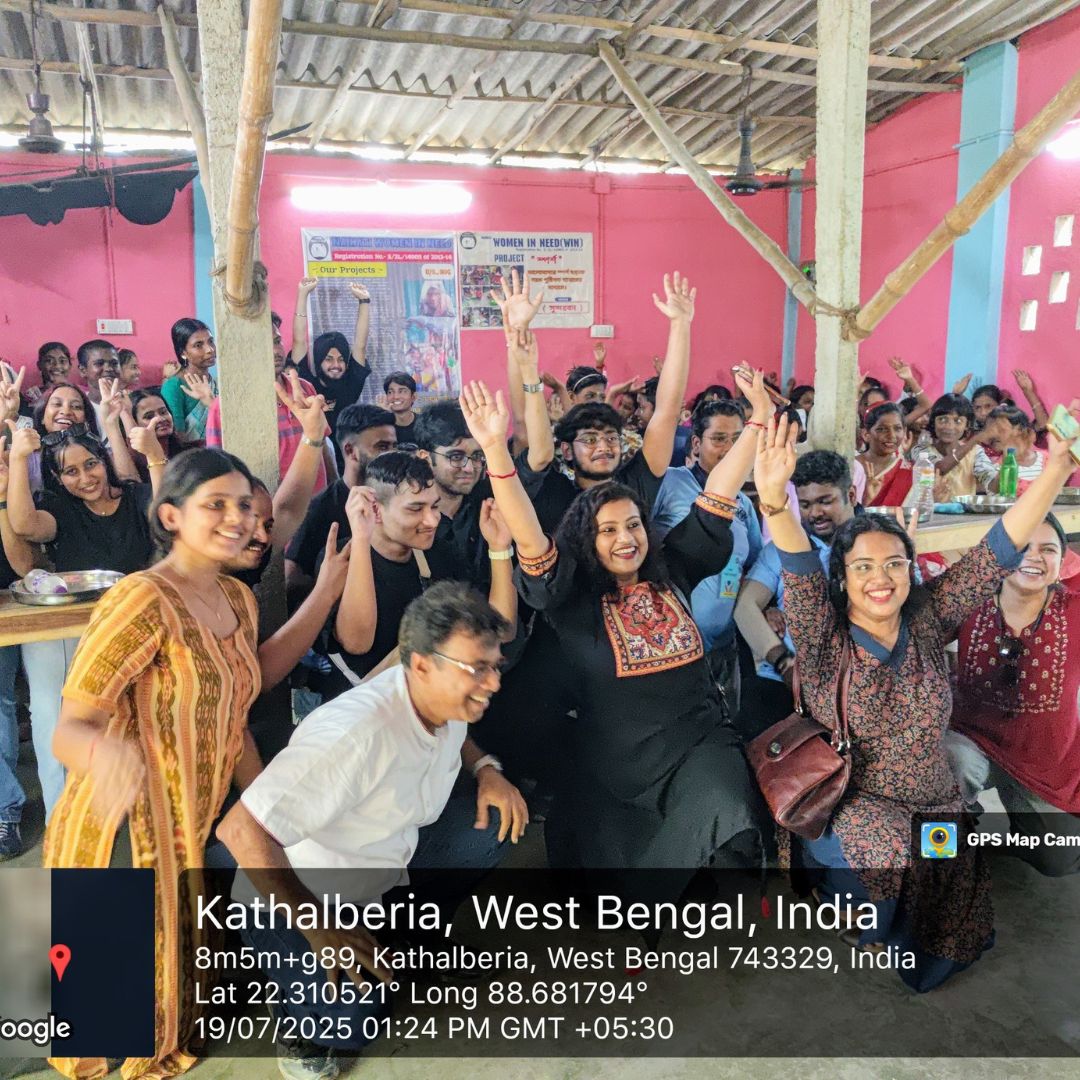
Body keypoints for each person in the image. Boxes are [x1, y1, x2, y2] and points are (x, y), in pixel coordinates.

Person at [751, 407, 1078, 991]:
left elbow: (997, 549)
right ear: (843, 577)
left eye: (894, 564)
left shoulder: (927, 618)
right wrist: (777, 504)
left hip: (932, 795)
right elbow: (797, 565)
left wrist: (1056, 469)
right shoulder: (823, 637)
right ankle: (838, 889)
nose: (880, 578)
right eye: (863, 566)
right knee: (887, 886)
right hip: (855, 802)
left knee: (946, 907)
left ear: (909, 570)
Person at [216, 582, 527, 1079]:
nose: (492, 684)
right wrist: (318, 925)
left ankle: (415, 941)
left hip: (383, 862)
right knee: (352, 1023)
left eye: (495, 667)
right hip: (298, 894)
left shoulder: (442, 699)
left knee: (490, 830)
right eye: (477, 669)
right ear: (421, 665)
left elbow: (460, 731)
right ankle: (294, 1011)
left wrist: (487, 769)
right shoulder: (356, 734)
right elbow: (240, 830)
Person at [461, 372, 765, 875]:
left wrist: (758, 422)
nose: (625, 539)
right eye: (607, 530)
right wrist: (494, 448)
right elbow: (530, 537)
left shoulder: (675, 569)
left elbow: (719, 492)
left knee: (726, 806)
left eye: (633, 525)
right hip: (614, 766)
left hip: (700, 743)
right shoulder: (571, 598)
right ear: (586, 540)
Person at [43, 449, 263, 1080]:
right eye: (215, 505)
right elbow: (69, 729)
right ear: (171, 516)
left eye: (244, 506)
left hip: (186, 826)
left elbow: (236, 717)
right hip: (120, 827)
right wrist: (107, 754)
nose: (237, 519)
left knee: (166, 991)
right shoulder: (142, 598)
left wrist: (263, 806)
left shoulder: (238, 599)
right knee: (105, 1033)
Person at [7, 421, 155, 819]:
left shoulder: (136, 498)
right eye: (71, 471)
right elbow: (24, 524)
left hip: (129, 627)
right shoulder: (62, 510)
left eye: (91, 464)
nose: (86, 478)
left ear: (104, 460)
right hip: (70, 630)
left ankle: (131, 811)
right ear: (58, 478)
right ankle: (65, 816)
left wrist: (155, 456)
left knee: (128, 720)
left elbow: (167, 513)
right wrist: (19, 458)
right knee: (56, 716)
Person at [947, 512, 1080, 875]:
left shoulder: (1075, 611)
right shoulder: (967, 603)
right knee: (948, 763)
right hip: (971, 744)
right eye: (1021, 547)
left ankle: (1017, 832)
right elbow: (909, 632)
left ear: (1062, 561)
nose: (1033, 557)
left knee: (1057, 861)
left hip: (1044, 763)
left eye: (1047, 549)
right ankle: (944, 858)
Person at [321, 452, 516, 698]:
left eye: (434, 506)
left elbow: (500, 631)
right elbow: (356, 644)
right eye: (416, 509)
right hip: (367, 708)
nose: (432, 520)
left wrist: (499, 548)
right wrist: (361, 537)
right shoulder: (340, 559)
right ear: (375, 510)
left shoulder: (439, 553)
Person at [521, 272, 695, 534]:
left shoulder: (634, 484)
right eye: (590, 439)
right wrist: (526, 366)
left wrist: (680, 325)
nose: (604, 446)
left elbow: (667, 413)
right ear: (566, 451)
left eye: (611, 438)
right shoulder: (553, 492)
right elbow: (533, 445)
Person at [652, 396, 767, 710]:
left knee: (727, 721)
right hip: (673, 643)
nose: (729, 449)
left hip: (724, 646)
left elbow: (754, 564)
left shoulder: (743, 505)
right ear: (695, 444)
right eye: (718, 439)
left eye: (737, 439)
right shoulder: (670, 483)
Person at [734, 450, 858, 739]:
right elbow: (744, 606)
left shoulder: (874, 542)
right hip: (783, 680)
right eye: (805, 504)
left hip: (857, 679)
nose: (815, 513)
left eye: (825, 501)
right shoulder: (783, 548)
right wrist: (784, 663)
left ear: (850, 494)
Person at [284, 403, 397, 591]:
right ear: (350, 451)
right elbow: (292, 577)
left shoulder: (399, 499)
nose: (392, 455)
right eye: (382, 447)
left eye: (394, 446)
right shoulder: (322, 509)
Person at [206, 332, 332, 493]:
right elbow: (216, 470)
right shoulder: (226, 406)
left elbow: (323, 445)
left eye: (277, 341)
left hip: (318, 499)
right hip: (269, 504)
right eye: (263, 344)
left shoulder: (304, 388)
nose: (275, 351)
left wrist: (335, 492)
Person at [0, 447, 38, 859]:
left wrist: (2, 496)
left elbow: (24, 564)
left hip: (13, 606)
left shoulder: (19, 487)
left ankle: (5, 810)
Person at [293, 279, 372, 467]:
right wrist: (303, 294)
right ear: (319, 361)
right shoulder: (306, 384)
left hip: (349, 464)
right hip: (314, 462)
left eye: (341, 359)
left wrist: (364, 302)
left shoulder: (351, 383)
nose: (336, 365)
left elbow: (360, 345)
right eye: (329, 359)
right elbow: (298, 341)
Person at [162, 318, 217, 444]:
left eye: (211, 341)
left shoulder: (217, 383)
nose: (210, 349)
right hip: (191, 454)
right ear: (183, 353)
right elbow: (177, 436)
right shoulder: (174, 386)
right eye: (198, 345)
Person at [973, 405, 1047, 494]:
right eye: (989, 431)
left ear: (1019, 429)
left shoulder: (1048, 460)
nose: (993, 435)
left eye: (999, 429)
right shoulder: (992, 467)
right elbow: (996, 489)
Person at [922, 393, 983, 500]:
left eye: (958, 421)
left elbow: (992, 483)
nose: (949, 426)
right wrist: (975, 440)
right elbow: (940, 469)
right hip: (930, 510)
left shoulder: (976, 452)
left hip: (964, 511)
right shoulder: (921, 451)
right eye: (942, 420)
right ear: (933, 422)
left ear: (967, 425)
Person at [857, 401, 913, 507]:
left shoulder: (908, 471)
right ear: (866, 434)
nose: (891, 435)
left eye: (897, 429)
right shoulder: (851, 467)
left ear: (904, 432)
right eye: (882, 429)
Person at [126, 388, 185, 483]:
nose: (160, 419)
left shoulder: (189, 453)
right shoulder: (133, 464)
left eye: (163, 412)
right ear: (135, 423)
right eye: (149, 416)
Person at [75, 339, 121, 430]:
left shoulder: (129, 404)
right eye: (99, 363)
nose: (109, 369)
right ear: (83, 370)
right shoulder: (78, 407)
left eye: (114, 363)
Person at [383, 370, 419, 444]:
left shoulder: (425, 424)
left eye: (402, 391)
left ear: (413, 397)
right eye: (390, 392)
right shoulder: (381, 426)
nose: (396, 397)